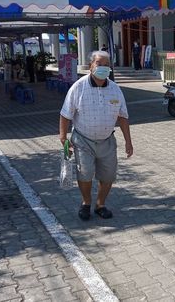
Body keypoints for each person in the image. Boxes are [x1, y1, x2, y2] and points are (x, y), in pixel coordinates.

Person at [59, 51, 133, 221]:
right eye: (99, 64)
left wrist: (129, 142)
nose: (103, 67)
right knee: (84, 173)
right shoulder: (78, 87)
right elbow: (65, 114)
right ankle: (86, 203)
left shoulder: (115, 89)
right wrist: (63, 138)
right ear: (91, 66)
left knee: (108, 175)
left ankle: (100, 204)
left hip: (107, 140)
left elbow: (122, 117)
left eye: (107, 64)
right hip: (83, 139)